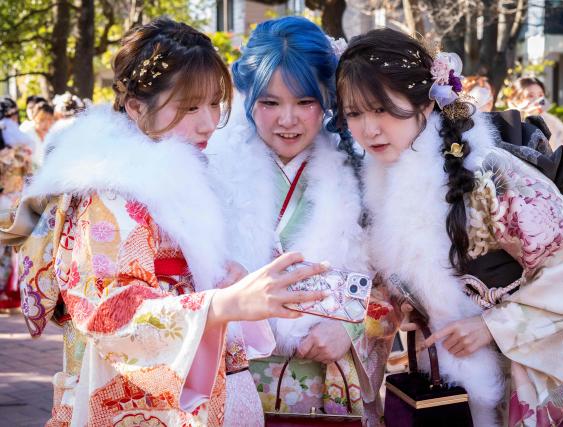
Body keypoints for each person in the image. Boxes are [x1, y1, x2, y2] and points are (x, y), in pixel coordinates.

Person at [5, 18, 329, 426]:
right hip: (136, 392)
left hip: (196, 376)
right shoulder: (110, 188)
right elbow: (109, 310)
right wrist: (221, 302)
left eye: (214, 104)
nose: (208, 122)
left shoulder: (181, 168)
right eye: (190, 107)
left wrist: (222, 279)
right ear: (136, 106)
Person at [335, 28, 563, 426]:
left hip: (532, 368)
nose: (369, 129)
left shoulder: (488, 175)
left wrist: (492, 326)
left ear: (426, 104)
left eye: (382, 109)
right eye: (355, 113)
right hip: (455, 375)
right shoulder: (380, 177)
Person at [207, 16, 400, 426]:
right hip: (230, 375)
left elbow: (394, 281)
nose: (288, 120)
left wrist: (350, 329)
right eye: (270, 103)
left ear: (327, 99)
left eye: (305, 102)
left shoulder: (362, 170)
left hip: (324, 377)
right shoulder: (210, 166)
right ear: (247, 99)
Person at [0, 97, 32, 310]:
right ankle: (13, 293)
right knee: (17, 248)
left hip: (6, 198)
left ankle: (4, 292)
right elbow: (28, 174)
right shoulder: (22, 149)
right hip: (15, 199)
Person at [507, 76, 563, 150]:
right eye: (530, 96)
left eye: (540, 95)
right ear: (516, 100)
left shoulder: (554, 124)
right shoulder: (506, 121)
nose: (537, 100)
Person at [23, 100, 55, 168]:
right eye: (42, 120)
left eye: (49, 120)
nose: (46, 124)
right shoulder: (26, 135)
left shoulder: (53, 136)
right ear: (34, 118)